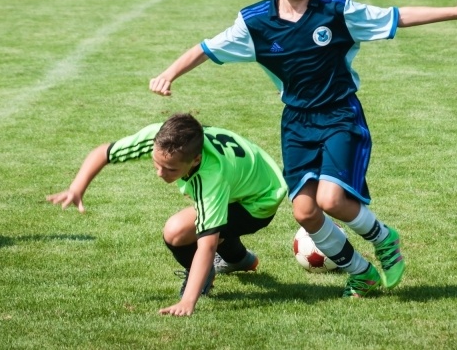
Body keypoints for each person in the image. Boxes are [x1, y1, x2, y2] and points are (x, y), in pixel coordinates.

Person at [150, 0, 457, 298]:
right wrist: (169, 72)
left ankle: (385, 239)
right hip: (296, 123)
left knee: (331, 200)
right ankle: (361, 273)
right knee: (305, 212)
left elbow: (396, 16)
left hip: (340, 115)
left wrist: (456, 12)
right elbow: (207, 48)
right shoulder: (256, 23)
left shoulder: (338, 11)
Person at [46, 112, 287, 317]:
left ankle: (204, 277)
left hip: (259, 201)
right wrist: (76, 188)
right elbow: (104, 153)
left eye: (171, 169)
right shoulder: (160, 137)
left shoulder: (211, 177)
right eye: (156, 163)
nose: (160, 173)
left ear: (196, 160)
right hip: (247, 181)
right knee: (205, 223)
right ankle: (240, 259)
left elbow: (207, 244)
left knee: (177, 231)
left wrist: (188, 302)